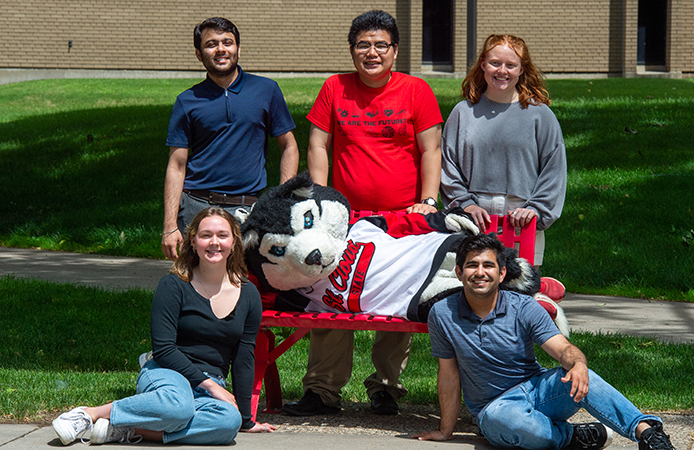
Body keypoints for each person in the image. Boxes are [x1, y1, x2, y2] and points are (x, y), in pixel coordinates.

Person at [285, 10, 443, 417]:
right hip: (345, 220)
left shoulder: (416, 90)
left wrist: (428, 199)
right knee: (331, 294)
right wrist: (320, 198)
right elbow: (319, 144)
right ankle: (322, 390)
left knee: (396, 294)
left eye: (380, 45)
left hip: (401, 220)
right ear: (352, 49)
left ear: (394, 50)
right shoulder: (335, 87)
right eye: (362, 45)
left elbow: (431, 150)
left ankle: (386, 388)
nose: (371, 53)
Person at [414, 234, 676, 450]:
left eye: (488, 265)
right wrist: (445, 431)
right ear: (459, 273)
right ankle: (572, 436)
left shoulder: (524, 307)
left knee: (580, 374)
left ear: (502, 273)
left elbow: (563, 348)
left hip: (537, 390)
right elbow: (448, 374)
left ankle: (649, 435)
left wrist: (579, 364)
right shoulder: (442, 313)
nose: (480, 272)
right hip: (494, 408)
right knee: (509, 422)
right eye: (472, 265)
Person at [52, 208, 273, 446]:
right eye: (206, 235)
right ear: (193, 241)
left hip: (209, 387)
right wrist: (209, 385)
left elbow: (243, 357)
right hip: (168, 373)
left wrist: (246, 421)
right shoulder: (173, 285)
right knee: (178, 407)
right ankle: (90, 414)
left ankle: (128, 430)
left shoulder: (248, 294)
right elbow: (164, 348)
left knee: (228, 423)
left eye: (222, 235)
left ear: (234, 242)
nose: (214, 242)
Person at [161, 17, 299, 261]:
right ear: (198, 53)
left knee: (244, 284)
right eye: (211, 44)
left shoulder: (266, 90)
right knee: (193, 284)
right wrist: (170, 225)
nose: (221, 49)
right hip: (196, 206)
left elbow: (289, 146)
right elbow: (177, 164)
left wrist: (280, 200)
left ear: (238, 49)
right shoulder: (187, 100)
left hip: (247, 209)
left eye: (228, 42)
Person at [440, 34, 567, 271]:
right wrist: (465, 205)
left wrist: (536, 209)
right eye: (495, 63)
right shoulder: (463, 113)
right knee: (473, 288)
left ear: (522, 70)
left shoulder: (540, 116)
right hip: (474, 219)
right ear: (483, 65)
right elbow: (448, 166)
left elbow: (554, 170)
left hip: (522, 220)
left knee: (522, 292)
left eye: (511, 65)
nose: (502, 71)